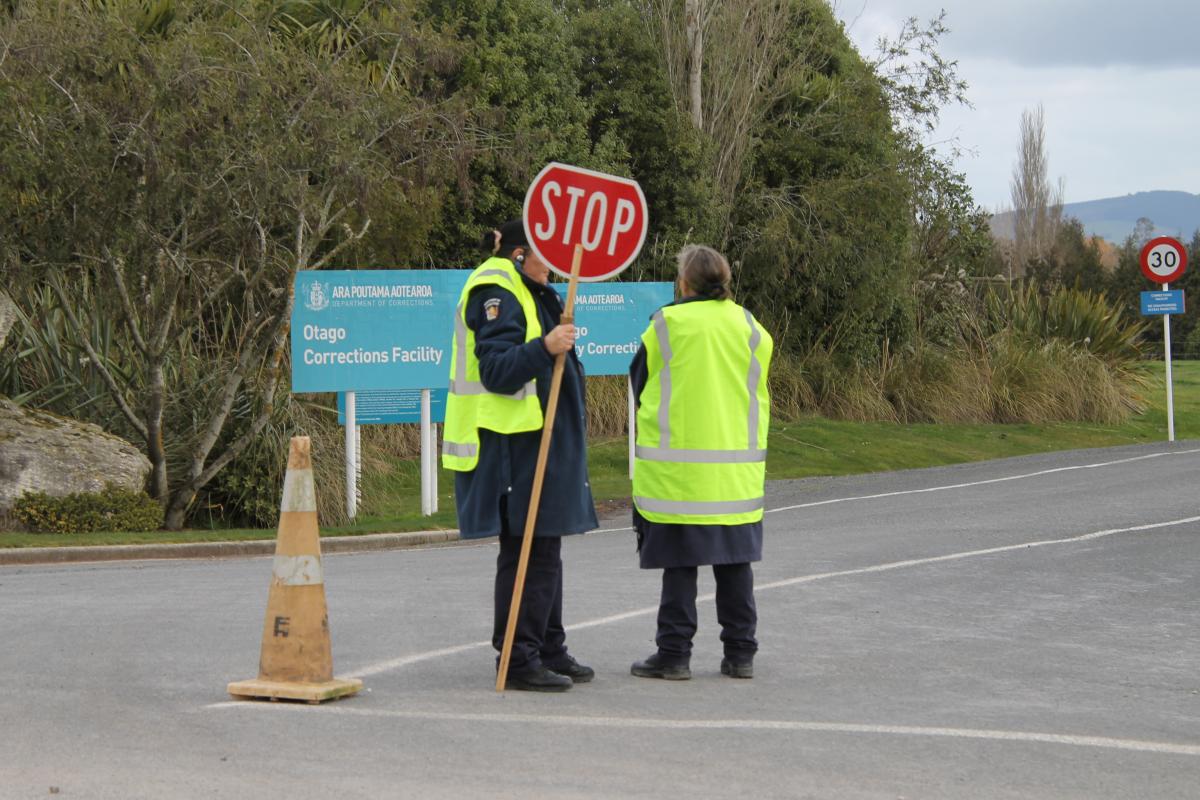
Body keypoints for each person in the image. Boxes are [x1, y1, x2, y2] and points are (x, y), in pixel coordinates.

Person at [442, 218, 599, 692]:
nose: (552, 267)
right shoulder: (497, 287)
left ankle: (548, 647)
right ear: (517, 254)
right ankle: (516, 656)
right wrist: (545, 346)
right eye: (544, 255)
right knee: (527, 549)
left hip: (534, 438)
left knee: (545, 544)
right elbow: (496, 370)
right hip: (511, 442)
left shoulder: (526, 288)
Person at [628, 244, 773, 680]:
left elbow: (639, 385)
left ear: (683, 284)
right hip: (734, 474)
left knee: (680, 566)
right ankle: (741, 654)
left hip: (679, 474)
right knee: (735, 567)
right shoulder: (750, 327)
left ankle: (674, 656)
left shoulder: (666, 326)